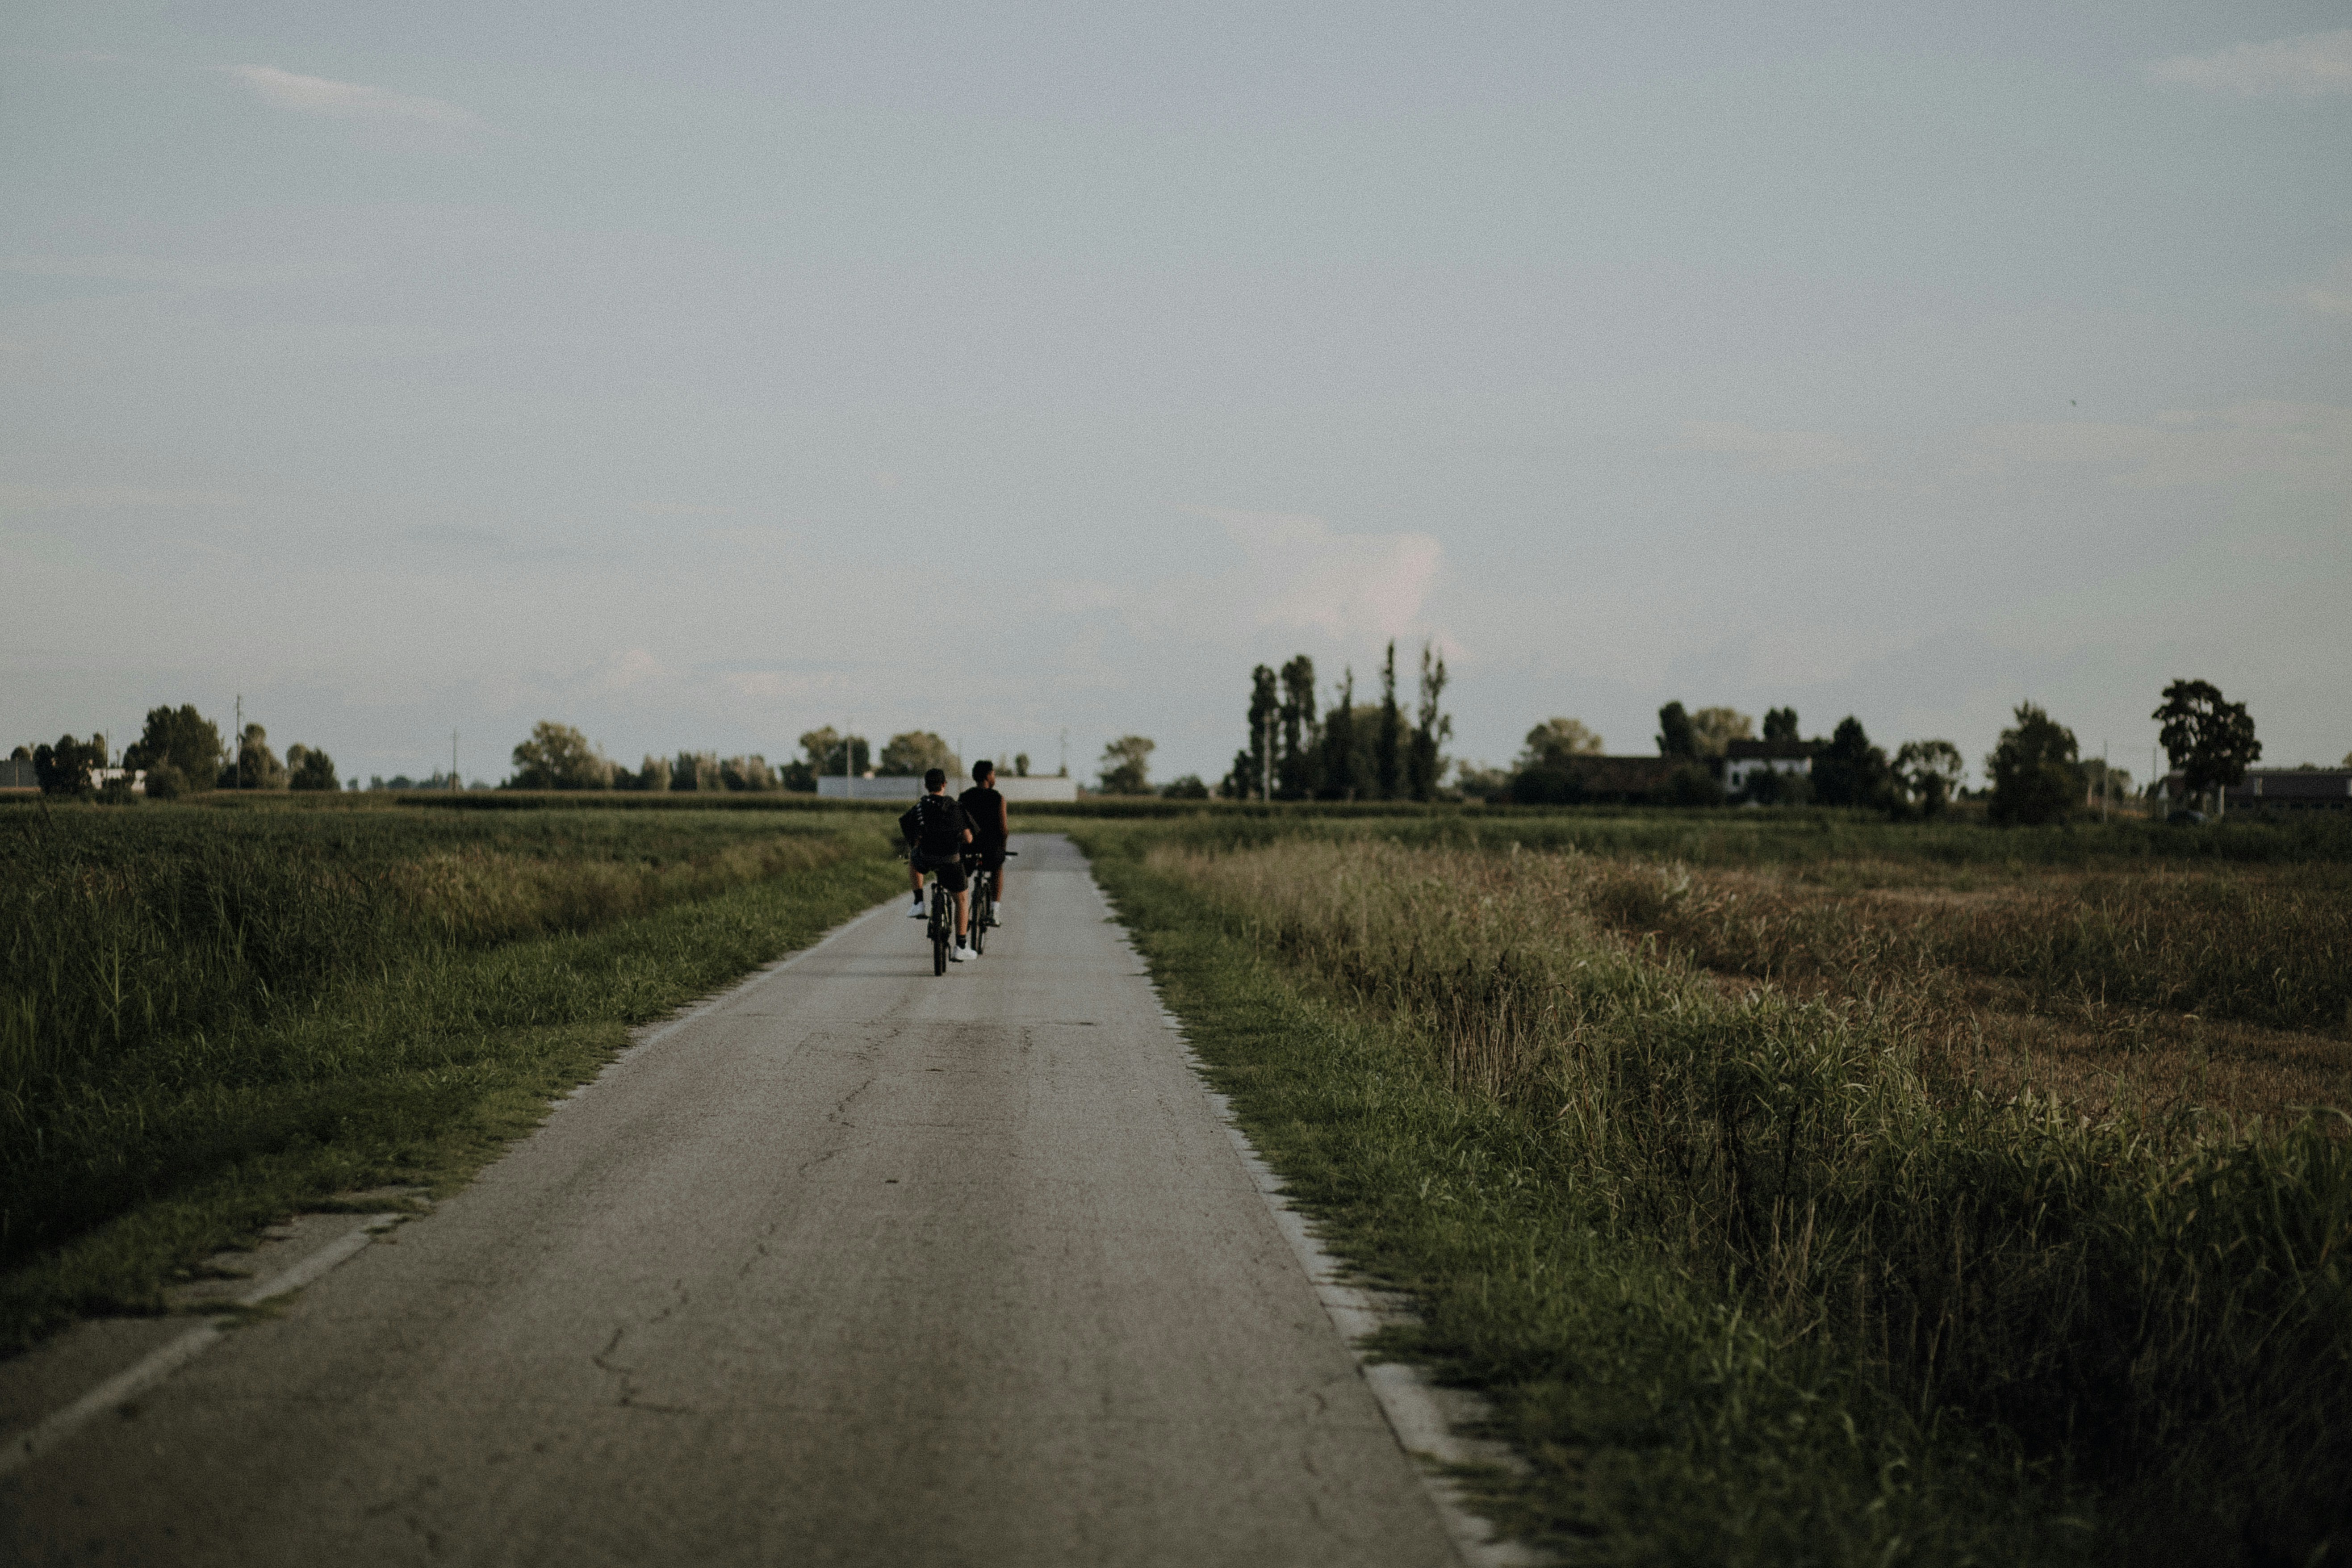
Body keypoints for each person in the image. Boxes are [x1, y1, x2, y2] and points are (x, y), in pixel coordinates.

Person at [900, 768, 978, 962]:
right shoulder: (955, 808)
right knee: (961, 900)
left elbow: (913, 838)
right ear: (944, 784)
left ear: (926, 786)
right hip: (951, 861)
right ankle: (961, 946)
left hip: (926, 858)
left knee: (913, 857)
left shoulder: (919, 808)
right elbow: (969, 839)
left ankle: (919, 902)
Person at [959, 759, 1010, 925]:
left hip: (968, 848)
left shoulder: (964, 797)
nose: (994, 777)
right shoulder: (998, 798)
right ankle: (995, 911)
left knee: (963, 873)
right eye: (994, 774)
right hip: (991, 850)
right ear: (988, 776)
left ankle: (962, 906)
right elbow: (1003, 829)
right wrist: (1003, 848)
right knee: (997, 868)